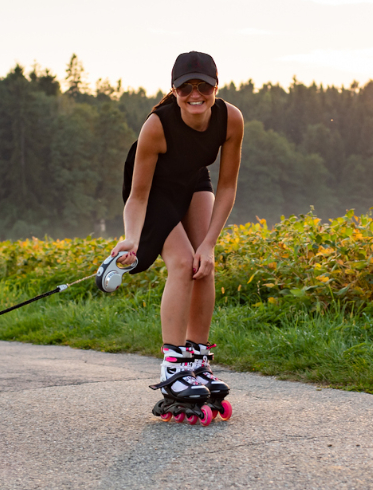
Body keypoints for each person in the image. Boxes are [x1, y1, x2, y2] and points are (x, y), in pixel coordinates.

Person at [110, 51, 244, 424]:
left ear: (216, 87)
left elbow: (228, 185)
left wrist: (210, 243)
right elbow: (137, 196)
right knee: (183, 263)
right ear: (174, 89)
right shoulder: (157, 126)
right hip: (154, 192)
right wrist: (131, 238)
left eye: (203, 85)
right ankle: (173, 368)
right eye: (186, 87)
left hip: (192, 180)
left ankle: (198, 363)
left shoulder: (231, 119)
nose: (195, 93)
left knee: (203, 264)